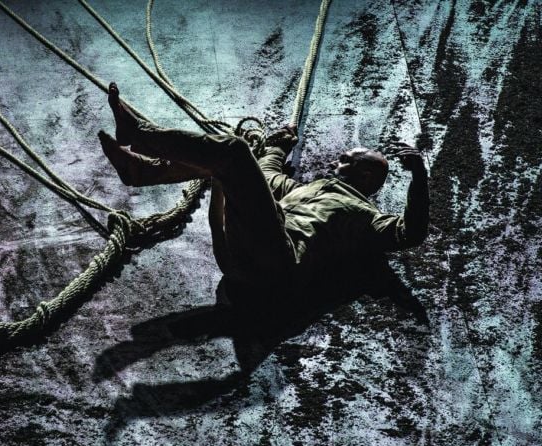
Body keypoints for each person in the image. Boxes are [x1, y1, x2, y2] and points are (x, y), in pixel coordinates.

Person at [98, 82, 429, 305]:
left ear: (366, 173)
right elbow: (267, 175)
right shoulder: (306, 190)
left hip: (277, 264)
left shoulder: (364, 216)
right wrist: (277, 145)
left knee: (234, 150)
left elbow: (409, 233)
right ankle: (142, 170)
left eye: (346, 159)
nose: (335, 160)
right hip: (246, 255)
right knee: (226, 164)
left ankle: (139, 136)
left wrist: (419, 178)